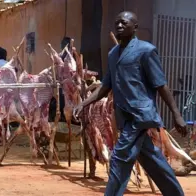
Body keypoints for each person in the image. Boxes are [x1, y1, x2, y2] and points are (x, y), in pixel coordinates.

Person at [73, 11, 187, 196]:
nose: (119, 26)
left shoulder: (146, 51)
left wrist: (177, 115)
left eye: (124, 23)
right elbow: (105, 87)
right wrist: (83, 103)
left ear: (135, 27)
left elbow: (161, 85)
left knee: (119, 157)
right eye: (117, 22)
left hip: (140, 115)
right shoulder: (113, 54)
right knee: (150, 157)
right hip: (124, 116)